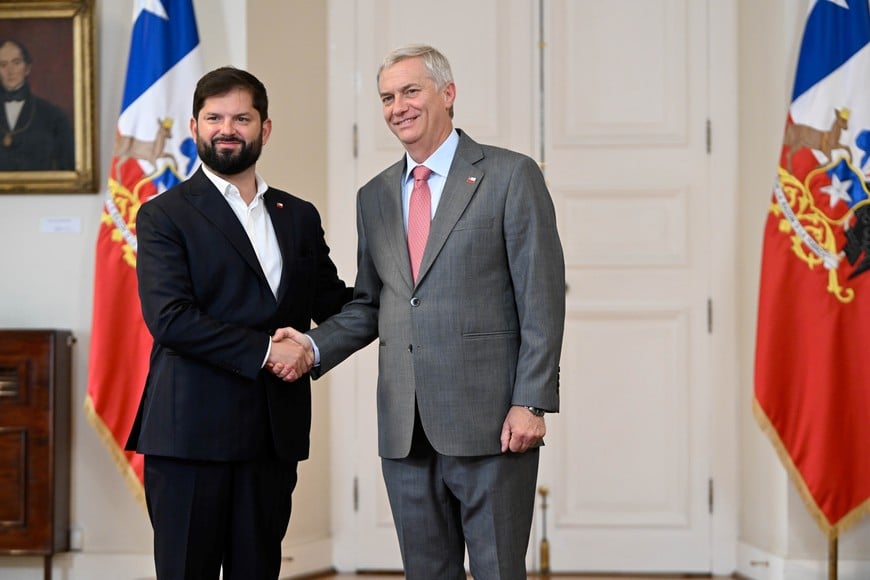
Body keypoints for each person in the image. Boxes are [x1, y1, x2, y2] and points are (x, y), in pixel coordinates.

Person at [273, 44, 565, 579]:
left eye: (411, 91)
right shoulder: (375, 196)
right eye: (387, 97)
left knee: (500, 571)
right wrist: (311, 346)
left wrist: (532, 401)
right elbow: (371, 304)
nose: (397, 107)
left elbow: (541, 299)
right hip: (405, 430)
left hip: (492, 424)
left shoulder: (510, 175)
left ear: (447, 94)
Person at [126, 66, 352, 580]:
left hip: (272, 437)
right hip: (189, 439)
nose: (227, 128)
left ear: (264, 128)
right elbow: (170, 318)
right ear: (194, 126)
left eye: (241, 118)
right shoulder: (164, 215)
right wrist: (269, 352)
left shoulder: (298, 215)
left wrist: (406, 295)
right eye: (214, 118)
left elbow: (335, 303)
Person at [0, 38, 74, 170]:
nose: (10, 71)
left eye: (16, 63)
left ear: (27, 68)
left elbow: (67, 167)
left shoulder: (53, 116)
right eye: (3, 65)